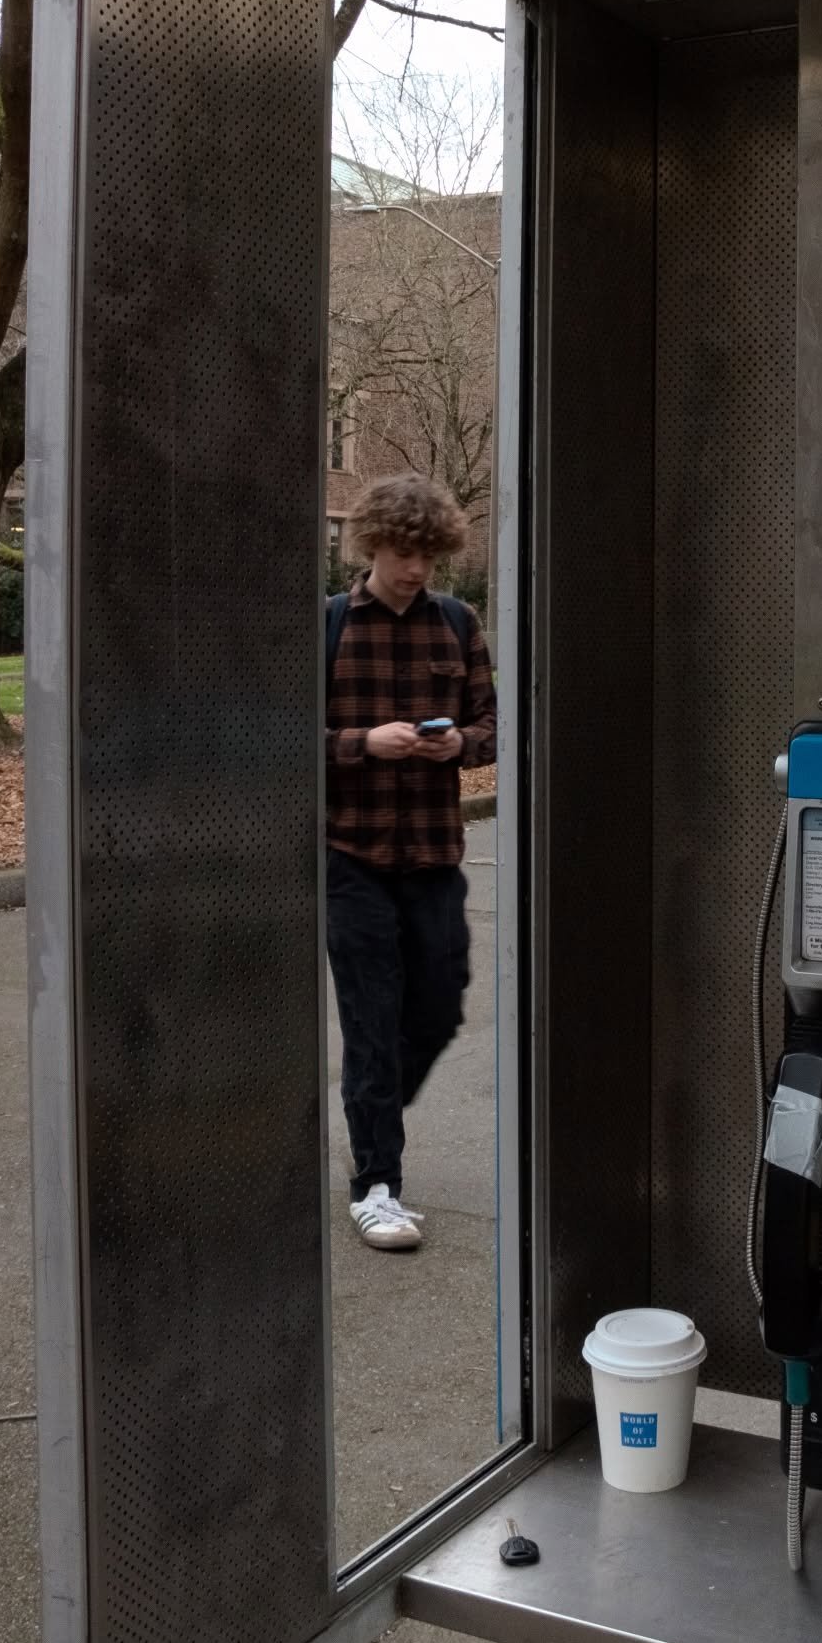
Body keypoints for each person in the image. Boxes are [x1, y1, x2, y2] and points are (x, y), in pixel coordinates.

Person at [325, 472, 497, 1251]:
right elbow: (275, 740)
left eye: (427, 555)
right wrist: (364, 744)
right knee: (372, 1019)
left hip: (433, 854)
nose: (415, 569)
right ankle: (377, 1185)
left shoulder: (458, 625)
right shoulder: (325, 627)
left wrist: (461, 742)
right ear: (371, 546)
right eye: (401, 552)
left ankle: (375, 1102)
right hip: (349, 856)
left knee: (439, 1005)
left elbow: (494, 726)